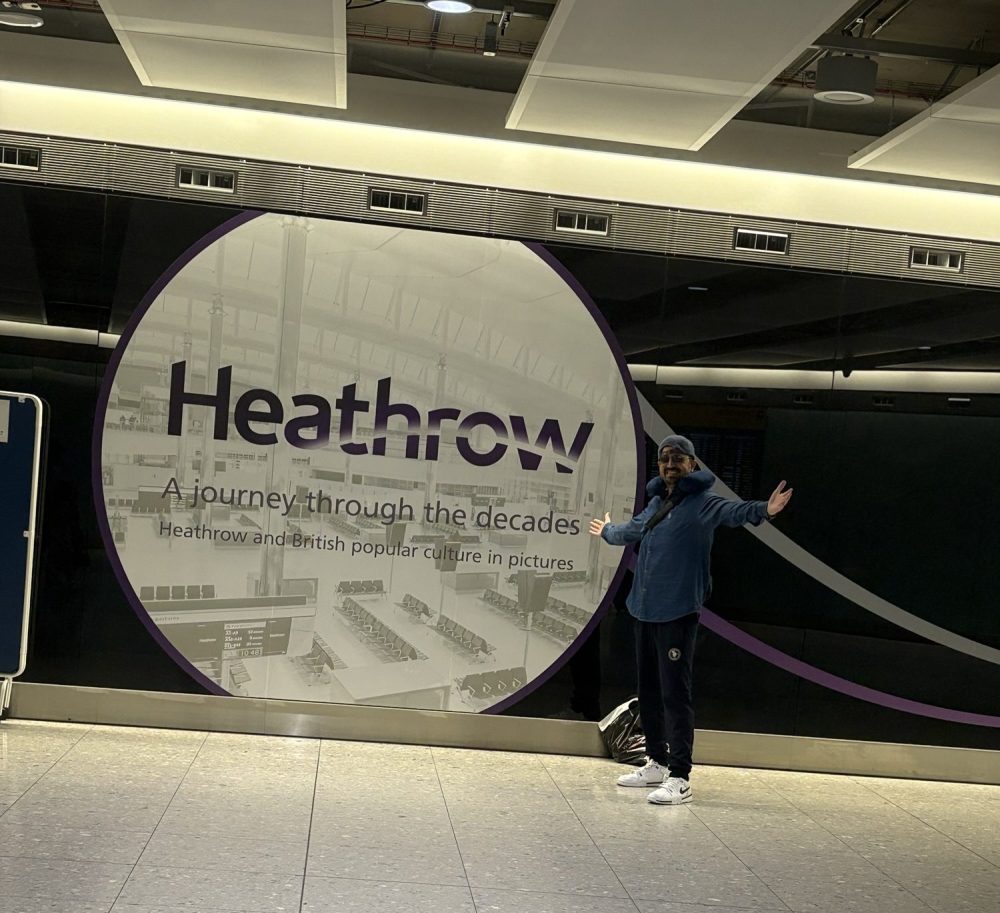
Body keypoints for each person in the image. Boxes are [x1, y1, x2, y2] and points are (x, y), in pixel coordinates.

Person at [589, 434, 792, 805]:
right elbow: (631, 530)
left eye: (678, 459)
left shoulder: (704, 504)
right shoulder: (656, 503)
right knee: (648, 691)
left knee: (674, 695)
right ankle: (655, 762)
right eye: (665, 459)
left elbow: (738, 512)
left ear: (692, 465)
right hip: (643, 611)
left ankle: (680, 776)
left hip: (677, 613)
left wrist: (767, 508)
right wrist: (607, 532)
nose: (670, 465)